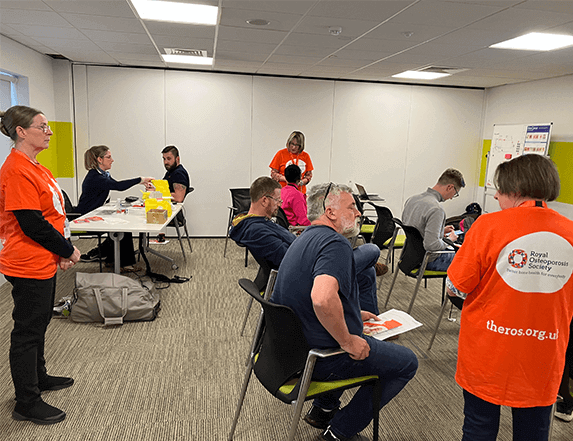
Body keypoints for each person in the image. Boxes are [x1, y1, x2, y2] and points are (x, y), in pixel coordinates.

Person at [271, 183, 418, 441]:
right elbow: (322, 299)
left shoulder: (303, 237)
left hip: (288, 354)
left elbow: (309, 296)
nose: (358, 213)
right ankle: (339, 432)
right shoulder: (335, 244)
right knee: (406, 363)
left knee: (359, 299)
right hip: (321, 357)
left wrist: (352, 313)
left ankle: (323, 409)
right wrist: (348, 341)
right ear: (330, 212)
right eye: (352, 207)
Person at [446, 154, 573, 440]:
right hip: (543, 355)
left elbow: (457, 285)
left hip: (488, 350)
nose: (495, 195)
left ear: (514, 191)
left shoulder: (488, 226)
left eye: (499, 190)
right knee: (534, 431)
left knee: (479, 427)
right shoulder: (571, 232)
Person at [0, 105, 82, 424]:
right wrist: (67, 249)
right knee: (27, 331)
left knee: (40, 323)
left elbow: (53, 213)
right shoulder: (16, 168)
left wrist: (59, 251)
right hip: (26, 261)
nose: (49, 132)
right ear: (21, 132)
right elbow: (31, 222)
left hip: (42, 258)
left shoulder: (36, 166)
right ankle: (26, 401)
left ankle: (39, 378)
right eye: (42, 127)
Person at [230, 177, 386, 314]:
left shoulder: (260, 223)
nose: (280, 204)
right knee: (371, 250)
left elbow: (291, 249)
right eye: (278, 200)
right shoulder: (256, 230)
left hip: (312, 261)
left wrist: (308, 242)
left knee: (367, 272)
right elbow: (288, 260)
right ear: (264, 200)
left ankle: (372, 325)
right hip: (310, 273)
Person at [77, 145, 152, 267]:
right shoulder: (95, 177)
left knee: (122, 221)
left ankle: (109, 256)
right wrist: (140, 179)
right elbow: (118, 186)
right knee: (122, 226)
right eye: (108, 157)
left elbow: (115, 184)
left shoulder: (102, 174)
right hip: (88, 217)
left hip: (96, 212)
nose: (112, 160)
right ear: (99, 160)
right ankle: (121, 263)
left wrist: (141, 182)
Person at [401, 168, 465, 271]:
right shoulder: (436, 209)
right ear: (450, 187)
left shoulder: (412, 199)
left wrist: (440, 231)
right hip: (427, 259)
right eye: (455, 193)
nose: (452, 197)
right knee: (470, 261)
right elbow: (432, 246)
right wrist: (450, 239)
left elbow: (416, 231)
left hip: (408, 256)